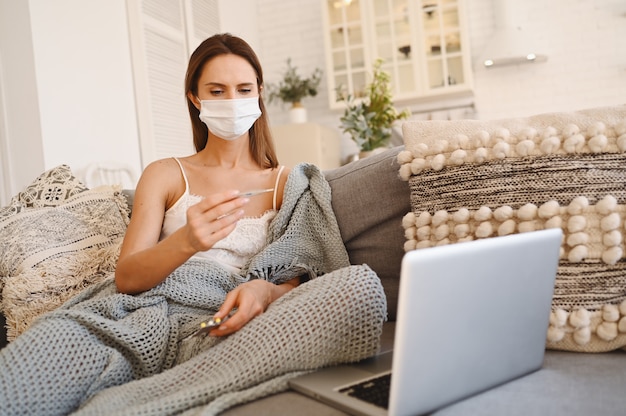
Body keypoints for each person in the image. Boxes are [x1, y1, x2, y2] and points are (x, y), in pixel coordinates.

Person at [0, 33, 386, 415]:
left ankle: (131, 402)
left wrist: (265, 292)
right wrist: (186, 240)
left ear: (259, 94)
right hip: (135, 316)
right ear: (195, 98)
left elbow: (310, 278)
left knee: (361, 290)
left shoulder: (288, 183)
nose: (232, 101)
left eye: (243, 88)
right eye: (216, 91)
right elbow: (128, 278)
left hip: (224, 329)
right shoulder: (166, 174)